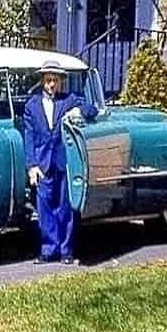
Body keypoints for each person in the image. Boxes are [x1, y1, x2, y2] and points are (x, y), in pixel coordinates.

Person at [19, 60, 98, 264]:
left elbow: (92, 110)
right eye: (48, 80)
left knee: (65, 207)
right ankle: (48, 250)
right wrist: (31, 166)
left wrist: (78, 112)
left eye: (55, 80)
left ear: (61, 81)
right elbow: (29, 137)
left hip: (65, 162)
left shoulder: (69, 100)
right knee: (44, 206)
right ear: (42, 81)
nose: (51, 85)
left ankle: (66, 252)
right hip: (42, 163)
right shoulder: (32, 106)